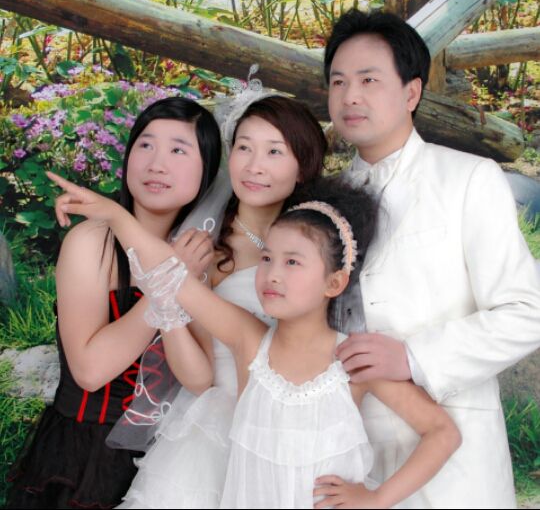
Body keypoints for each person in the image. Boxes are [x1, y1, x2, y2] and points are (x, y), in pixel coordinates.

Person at [46, 171, 462, 509]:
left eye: (292, 262)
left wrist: (376, 499)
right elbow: (171, 276)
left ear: (334, 283)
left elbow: (442, 432)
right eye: (267, 258)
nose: (272, 274)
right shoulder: (249, 340)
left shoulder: (353, 361)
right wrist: (116, 216)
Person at [325, 9, 540, 508]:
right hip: (345, 443)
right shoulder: (325, 196)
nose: (350, 96)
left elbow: (527, 312)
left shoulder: (469, 179)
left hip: (451, 446)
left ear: (411, 93)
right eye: (338, 81)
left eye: (368, 80)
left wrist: (414, 357)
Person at [108, 93, 329, 508]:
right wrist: (169, 302)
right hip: (215, 424)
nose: (254, 165)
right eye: (244, 147)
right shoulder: (201, 247)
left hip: (294, 420)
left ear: (303, 166)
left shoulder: (320, 245)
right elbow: (198, 378)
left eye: (274, 152)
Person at [6, 97, 222, 509]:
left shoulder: (199, 254)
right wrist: (167, 281)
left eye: (178, 150)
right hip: (84, 452)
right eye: (146, 145)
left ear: (206, 170)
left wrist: (182, 272)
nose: (157, 164)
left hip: (167, 458)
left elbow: (201, 378)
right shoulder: (92, 241)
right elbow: (90, 371)